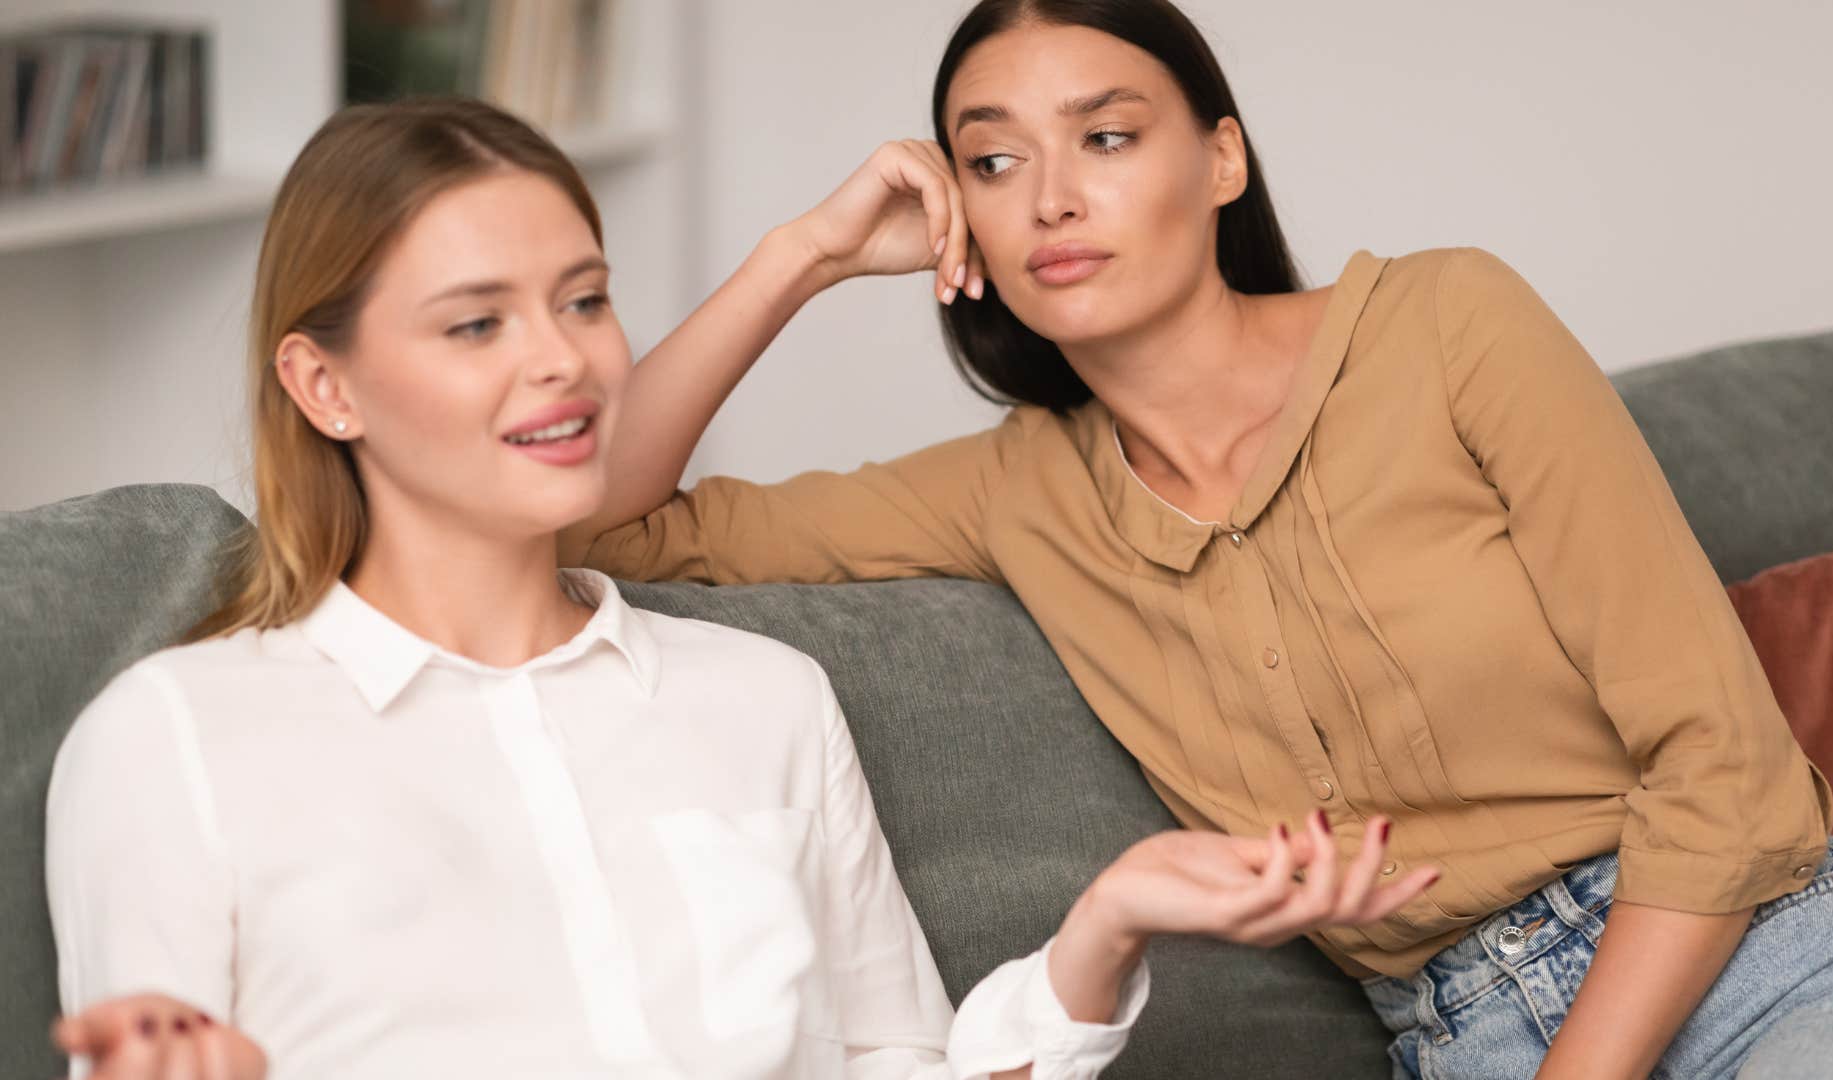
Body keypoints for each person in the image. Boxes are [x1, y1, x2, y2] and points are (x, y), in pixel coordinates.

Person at [564, 1, 1833, 1077]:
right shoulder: (1011, 491)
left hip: (1763, 964)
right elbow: (596, 518)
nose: (1048, 199)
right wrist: (799, 254)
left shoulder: (1450, 328)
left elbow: (1728, 771)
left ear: (1220, 158)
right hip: (1466, 1038)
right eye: (992, 159)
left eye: (1106, 138)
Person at [44, 97, 1437, 1080]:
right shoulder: (176, 741)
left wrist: (1108, 921)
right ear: (323, 384)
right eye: (478, 323)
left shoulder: (758, 700)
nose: (566, 362)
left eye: (585, 300)